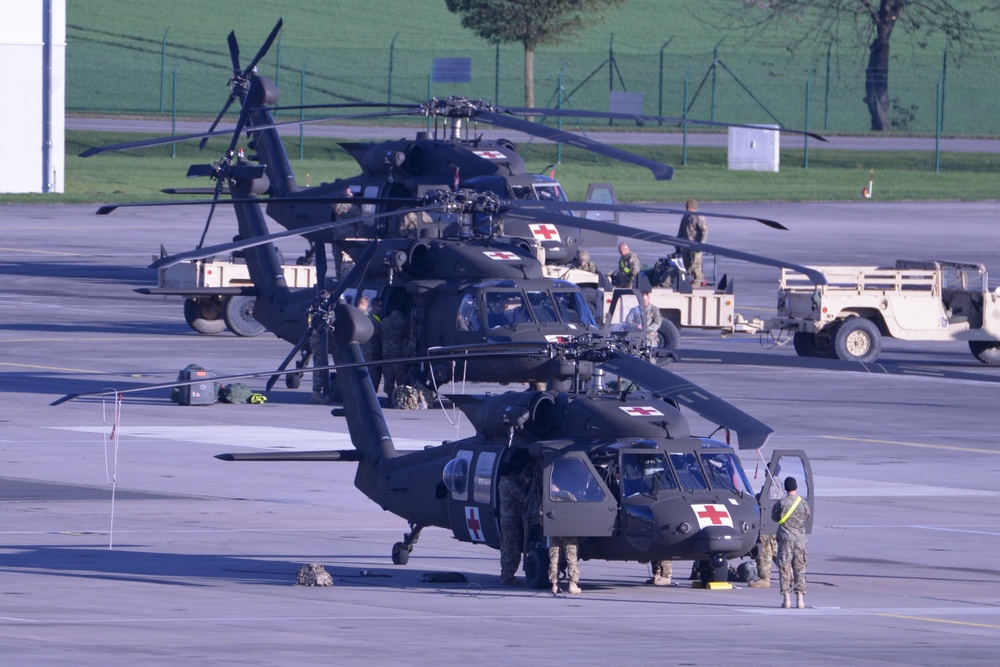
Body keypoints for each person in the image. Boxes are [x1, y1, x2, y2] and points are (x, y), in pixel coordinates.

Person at [771, 476, 811, 609]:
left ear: (785, 488)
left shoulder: (781, 503)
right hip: (799, 540)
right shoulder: (803, 503)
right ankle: (800, 599)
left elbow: (774, 517)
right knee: (799, 569)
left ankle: (786, 599)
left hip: (785, 540)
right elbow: (807, 516)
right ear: (796, 487)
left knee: (785, 568)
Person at [498, 460, 534, 586]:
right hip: (512, 521)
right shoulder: (509, 484)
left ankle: (505, 575)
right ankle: (508, 577)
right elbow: (523, 497)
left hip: (506, 520)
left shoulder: (503, 483)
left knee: (506, 548)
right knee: (513, 550)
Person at [309, 290, 333, 405]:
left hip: (315, 338)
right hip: (319, 339)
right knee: (319, 366)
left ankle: (319, 392)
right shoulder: (323, 312)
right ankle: (316, 394)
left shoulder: (315, 310)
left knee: (319, 365)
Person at [677, 199, 708, 284]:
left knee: (695, 266)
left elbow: (704, 232)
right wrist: (677, 244)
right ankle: (691, 281)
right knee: (686, 265)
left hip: (695, 247)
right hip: (686, 246)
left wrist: (701, 245)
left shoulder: (699, 218)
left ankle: (698, 281)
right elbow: (681, 231)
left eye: (688, 207)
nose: (686, 209)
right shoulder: (685, 217)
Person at [357, 295, 383, 393]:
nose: (381, 309)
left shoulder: (375, 318)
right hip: (369, 351)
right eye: (379, 306)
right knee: (370, 374)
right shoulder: (368, 317)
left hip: (372, 351)